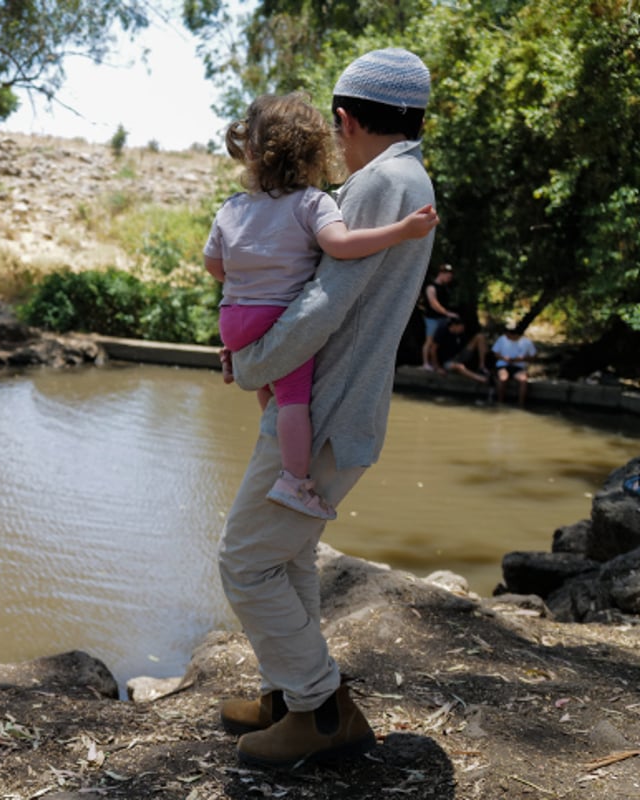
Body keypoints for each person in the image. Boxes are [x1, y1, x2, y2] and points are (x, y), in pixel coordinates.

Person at [216, 47, 436, 768]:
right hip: (341, 402)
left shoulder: (379, 182)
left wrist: (251, 360)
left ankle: (321, 708)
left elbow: (322, 307)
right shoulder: (408, 177)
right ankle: (291, 695)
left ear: (346, 120)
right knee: (291, 557)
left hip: (328, 403)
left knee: (245, 563)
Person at [206, 93, 438, 521]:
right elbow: (341, 246)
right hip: (273, 314)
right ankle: (295, 480)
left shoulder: (232, 207)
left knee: (270, 389)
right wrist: (401, 231)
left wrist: (246, 289)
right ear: (317, 148)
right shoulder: (315, 202)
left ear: (251, 154)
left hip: (233, 318)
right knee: (293, 399)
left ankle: (273, 438)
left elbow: (214, 265)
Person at [421, 264, 459, 370]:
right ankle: (425, 363)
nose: (449, 279)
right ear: (441, 274)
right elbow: (433, 303)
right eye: (448, 276)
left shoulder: (445, 288)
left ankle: (435, 364)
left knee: (436, 343)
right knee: (429, 341)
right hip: (432, 318)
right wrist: (447, 313)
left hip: (442, 319)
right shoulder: (431, 287)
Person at [435, 316, 489, 383]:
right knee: (460, 367)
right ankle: (482, 379)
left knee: (480, 337)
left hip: (459, 356)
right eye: (461, 327)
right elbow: (433, 350)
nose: (463, 329)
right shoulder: (443, 332)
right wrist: (437, 367)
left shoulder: (460, 334)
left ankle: (482, 367)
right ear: (454, 326)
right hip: (447, 362)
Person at [492, 326, 537, 406]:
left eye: (509, 335)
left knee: (523, 379)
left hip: (518, 367)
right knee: (503, 377)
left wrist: (522, 359)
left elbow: (533, 357)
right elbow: (495, 353)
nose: (507, 337)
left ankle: (521, 404)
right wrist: (503, 358)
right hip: (503, 365)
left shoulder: (527, 342)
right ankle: (500, 402)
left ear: (515, 335)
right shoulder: (502, 339)